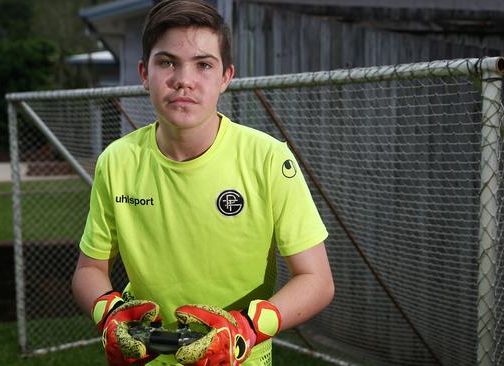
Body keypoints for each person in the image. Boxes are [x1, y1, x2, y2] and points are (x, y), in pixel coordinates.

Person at [71, 0, 334, 365]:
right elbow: (89, 269)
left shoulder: (269, 159)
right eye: (167, 62)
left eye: (203, 64)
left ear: (226, 77)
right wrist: (108, 314)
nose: (184, 79)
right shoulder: (117, 161)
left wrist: (245, 331)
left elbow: (317, 280)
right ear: (145, 73)